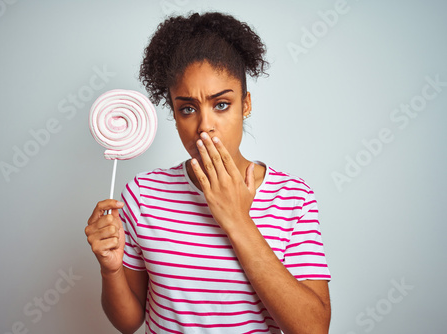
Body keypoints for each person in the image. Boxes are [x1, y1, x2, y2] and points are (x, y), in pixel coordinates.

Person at [85, 12, 331, 334]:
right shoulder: (143, 195)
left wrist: (237, 218)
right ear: (173, 113)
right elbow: (129, 322)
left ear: (245, 104)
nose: (204, 126)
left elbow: (313, 329)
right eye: (187, 109)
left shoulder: (293, 198)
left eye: (221, 104)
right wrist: (111, 270)